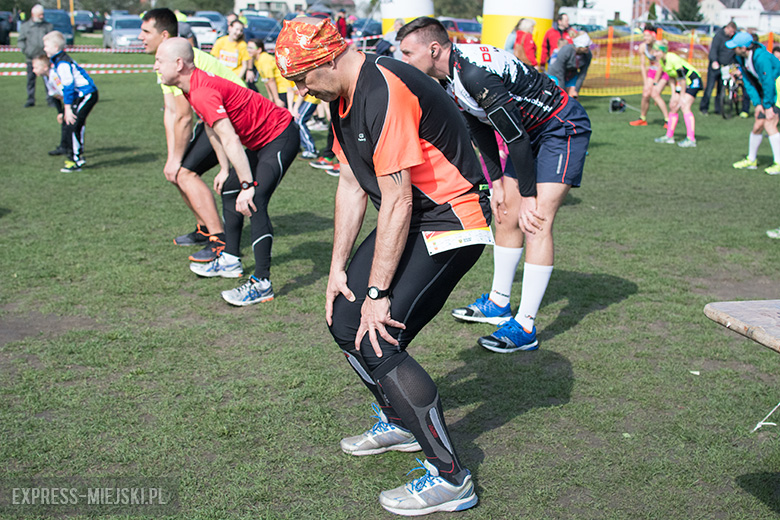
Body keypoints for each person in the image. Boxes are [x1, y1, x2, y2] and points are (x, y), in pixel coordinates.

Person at [276, 17, 491, 516]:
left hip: (450, 220)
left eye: (303, 77)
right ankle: (398, 422)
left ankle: (451, 478)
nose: (302, 91)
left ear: (328, 58)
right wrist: (336, 269)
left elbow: (396, 202)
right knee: (341, 319)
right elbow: (352, 184)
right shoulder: (339, 97)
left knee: (377, 335)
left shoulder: (383, 88)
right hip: (414, 216)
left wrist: (377, 295)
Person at [398, 17, 591, 353]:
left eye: (407, 53)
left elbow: (513, 135)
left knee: (536, 222)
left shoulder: (473, 73)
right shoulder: (447, 77)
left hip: (560, 128)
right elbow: (480, 128)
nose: (404, 61)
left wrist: (529, 195)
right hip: (527, 135)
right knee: (504, 215)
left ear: (433, 49)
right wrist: (497, 182)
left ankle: (526, 326)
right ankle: (500, 303)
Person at [155, 38, 299, 306]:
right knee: (230, 188)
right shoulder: (191, 87)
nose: (155, 67)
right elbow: (212, 129)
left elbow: (230, 138)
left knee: (253, 201)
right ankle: (231, 260)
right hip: (260, 142)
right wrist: (224, 169)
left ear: (178, 64)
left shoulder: (200, 91)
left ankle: (262, 283)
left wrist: (248, 186)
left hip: (281, 135)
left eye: (159, 61)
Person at [140, 8, 244, 262]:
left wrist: (176, 161)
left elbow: (184, 117)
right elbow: (171, 112)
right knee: (178, 172)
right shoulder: (162, 62)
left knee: (184, 172)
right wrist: (171, 156)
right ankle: (205, 229)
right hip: (214, 119)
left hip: (237, 119)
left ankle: (220, 240)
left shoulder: (179, 60)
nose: (140, 37)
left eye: (145, 32)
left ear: (163, 35)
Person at [43, 31, 98, 173]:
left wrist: (67, 108)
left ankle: (76, 160)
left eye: (46, 46)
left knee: (74, 123)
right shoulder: (58, 61)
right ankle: (76, 155)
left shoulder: (62, 63)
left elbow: (68, 86)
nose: (44, 49)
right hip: (80, 95)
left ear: (55, 47)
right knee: (75, 123)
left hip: (87, 94)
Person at [728, 31, 780, 174]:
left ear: (744, 48)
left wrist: (768, 106)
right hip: (770, 90)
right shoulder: (741, 58)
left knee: (770, 123)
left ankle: (779, 163)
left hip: (778, 88)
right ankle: (752, 160)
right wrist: (757, 104)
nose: (733, 49)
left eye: (736, 47)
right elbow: (748, 82)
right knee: (758, 124)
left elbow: (768, 81)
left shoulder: (761, 57)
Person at [652, 40, 702, 148]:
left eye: (656, 51)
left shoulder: (672, 58)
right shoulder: (662, 61)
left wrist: (682, 96)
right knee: (673, 106)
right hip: (682, 82)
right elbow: (672, 77)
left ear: (662, 51)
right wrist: (674, 93)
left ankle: (691, 139)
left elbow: (682, 77)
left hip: (692, 80)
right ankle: (669, 136)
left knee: (685, 106)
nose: (654, 54)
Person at [629, 26, 670, 127]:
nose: (645, 38)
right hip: (652, 71)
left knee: (655, 94)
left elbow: (661, 65)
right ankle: (642, 118)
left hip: (663, 71)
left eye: (647, 36)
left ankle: (668, 120)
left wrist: (655, 82)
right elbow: (643, 65)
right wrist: (645, 82)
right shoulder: (643, 47)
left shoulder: (659, 45)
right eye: (644, 36)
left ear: (653, 36)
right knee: (646, 93)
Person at [31, 54, 70, 157]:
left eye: (35, 67)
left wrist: (66, 110)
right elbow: (54, 96)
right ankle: (64, 146)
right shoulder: (45, 77)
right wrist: (60, 113)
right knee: (65, 123)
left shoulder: (55, 76)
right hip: (66, 100)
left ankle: (71, 150)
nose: (33, 70)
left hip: (74, 99)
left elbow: (66, 93)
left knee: (72, 124)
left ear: (45, 67)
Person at [17, 4, 52, 108]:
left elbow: (51, 38)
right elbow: (20, 41)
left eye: (42, 14)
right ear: (33, 14)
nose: (42, 16)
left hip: (44, 58)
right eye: (40, 15)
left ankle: (51, 99)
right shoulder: (25, 27)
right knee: (30, 80)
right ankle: (30, 99)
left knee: (48, 81)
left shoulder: (48, 26)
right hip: (30, 58)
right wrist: (26, 50)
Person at [700, 21, 737, 116]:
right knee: (709, 88)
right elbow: (713, 50)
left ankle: (719, 108)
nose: (732, 34)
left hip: (726, 67)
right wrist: (714, 61)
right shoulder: (718, 36)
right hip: (715, 66)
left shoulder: (733, 38)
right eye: (731, 31)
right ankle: (704, 108)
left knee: (721, 89)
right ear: (727, 28)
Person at [546, 32, 592, 98]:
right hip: (556, 74)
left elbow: (582, 74)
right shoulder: (566, 51)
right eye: (586, 46)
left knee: (573, 96)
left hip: (571, 75)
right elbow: (560, 73)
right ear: (579, 46)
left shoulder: (587, 55)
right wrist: (562, 91)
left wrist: (576, 90)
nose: (588, 48)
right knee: (559, 98)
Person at [249, 39, 286, 106]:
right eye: (248, 47)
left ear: (259, 50)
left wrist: (276, 99)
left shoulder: (264, 59)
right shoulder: (257, 60)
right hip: (277, 89)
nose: (248, 50)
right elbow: (266, 80)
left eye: (251, 48)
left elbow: (271, 80)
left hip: (282, 88)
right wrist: (271, 96)